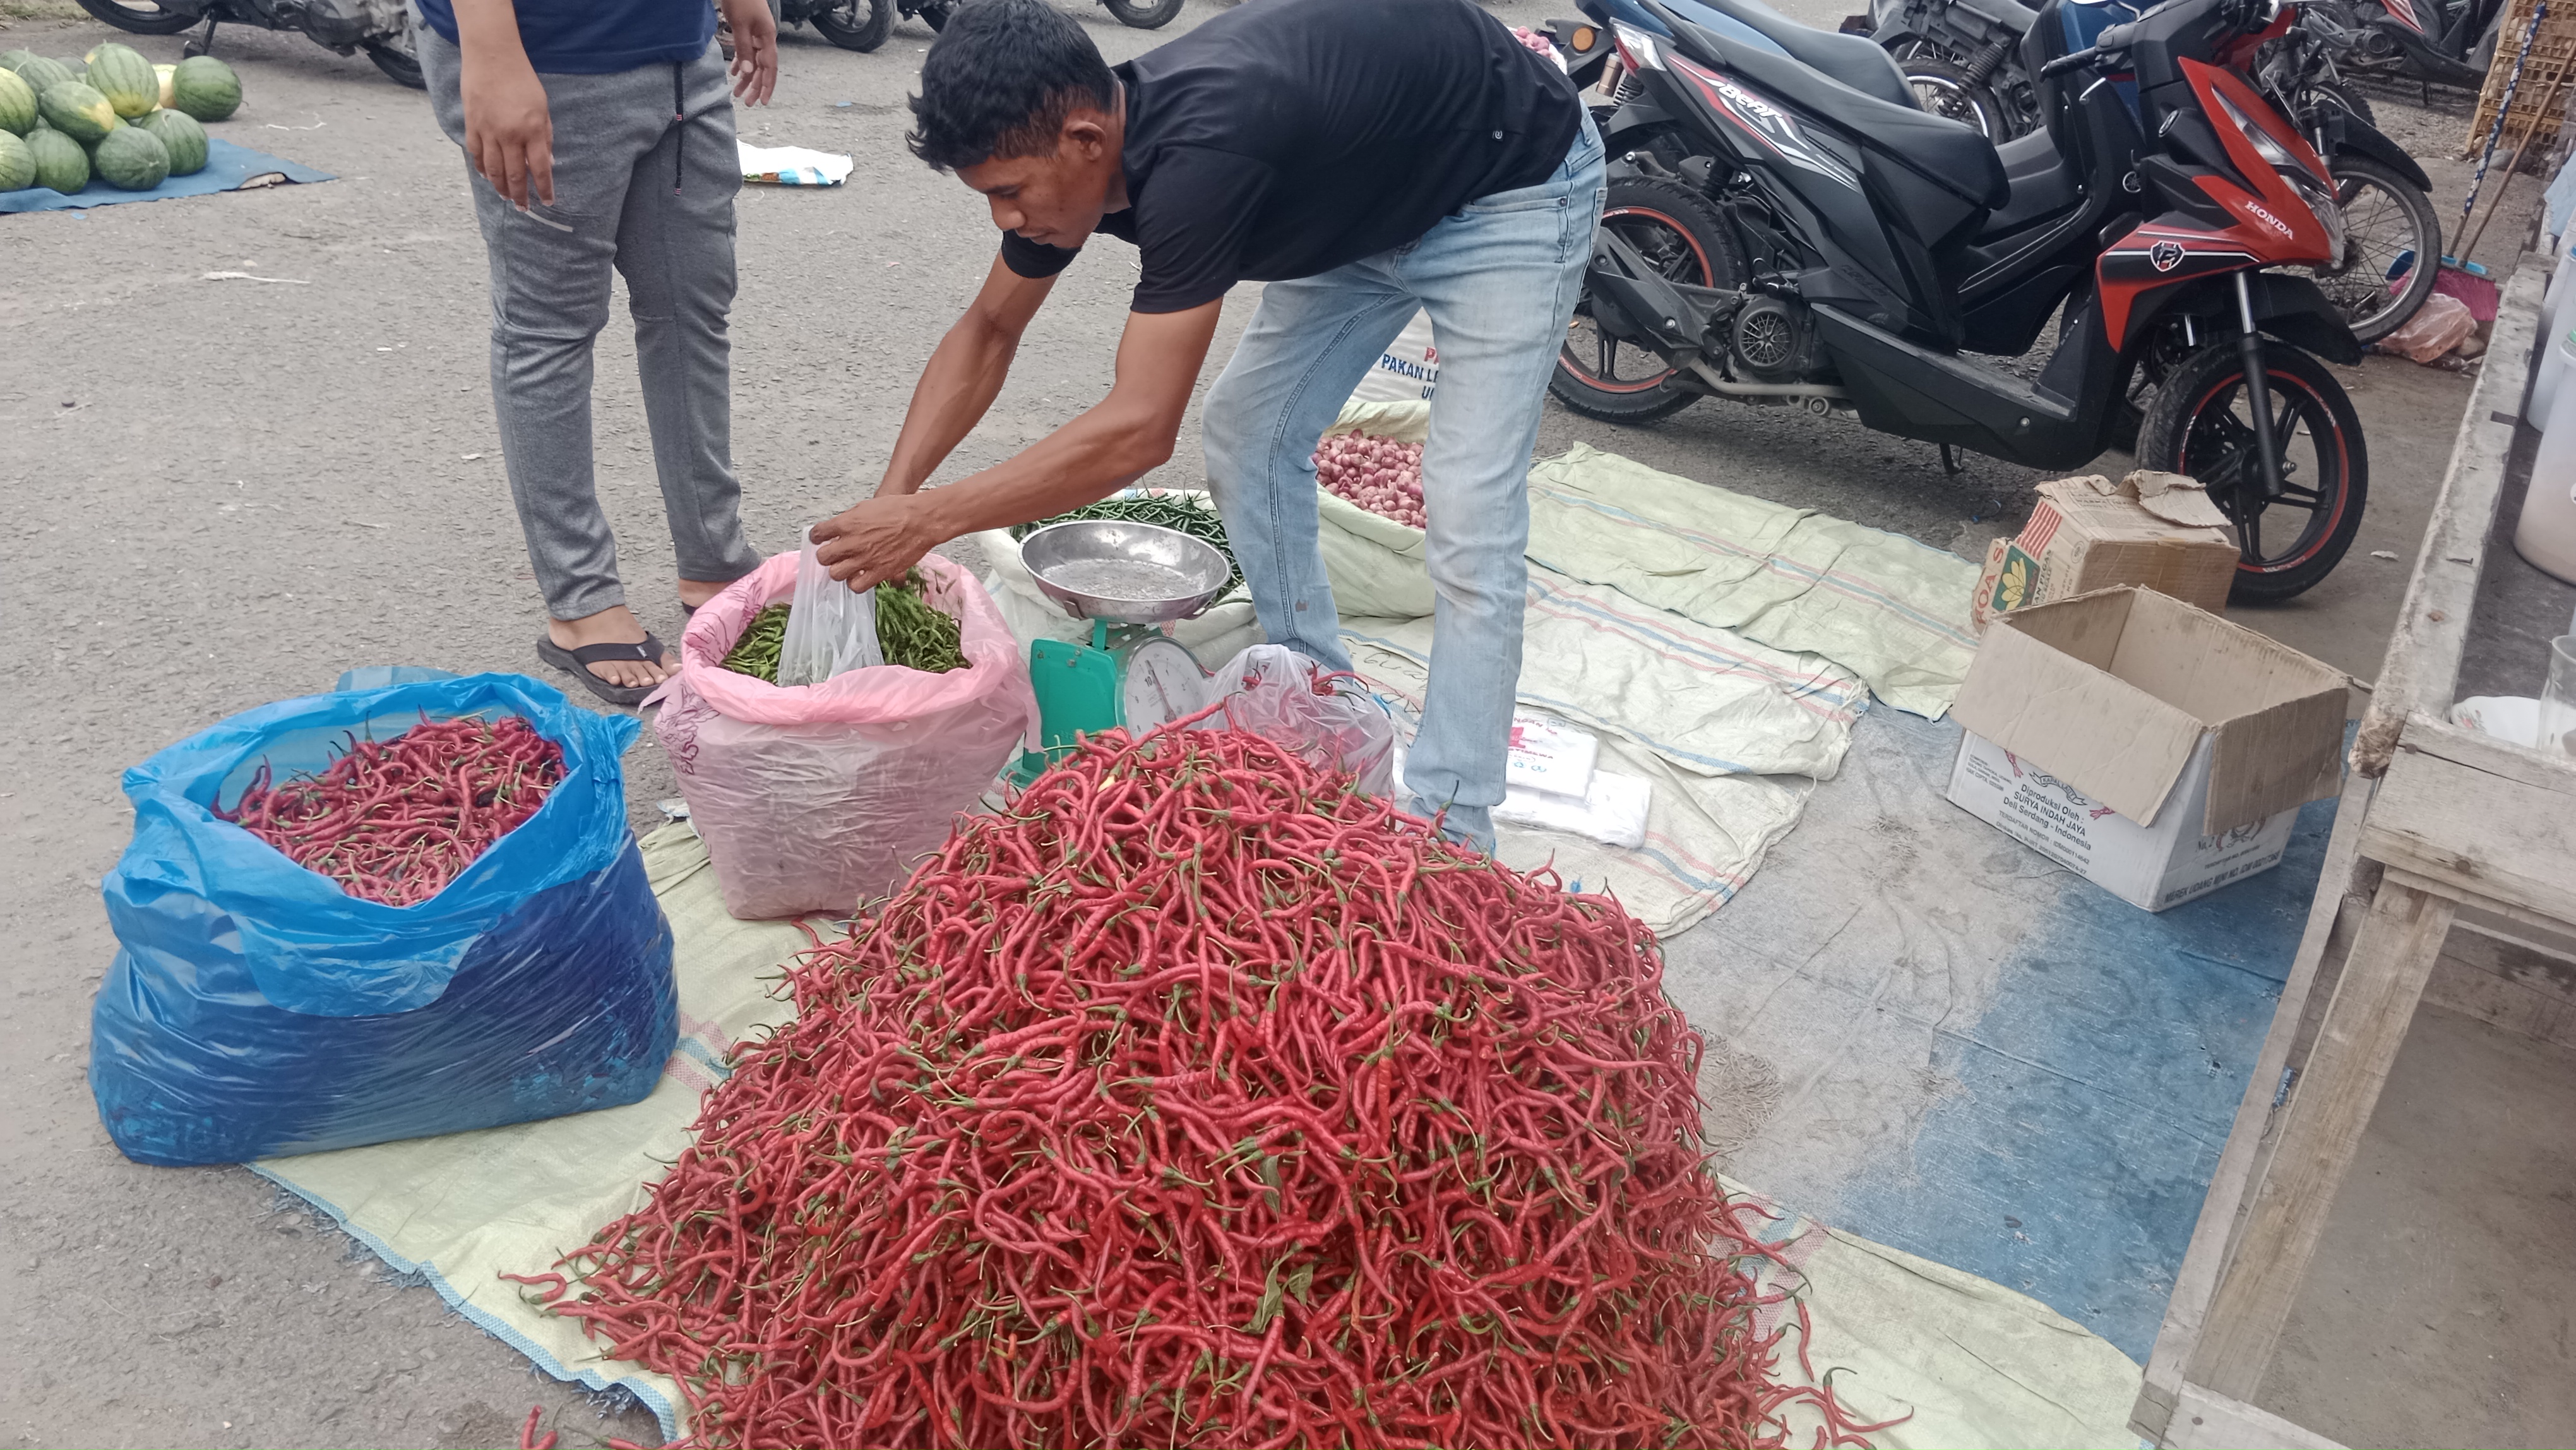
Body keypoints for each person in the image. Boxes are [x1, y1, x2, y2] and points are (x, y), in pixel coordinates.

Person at [809, 0, 1602, 849]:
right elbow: (989, 330)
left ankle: (1453, 825)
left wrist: (931, 519)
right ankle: (1319, 700)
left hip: (1507, 184)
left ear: (1084, 139)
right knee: (1247, 432)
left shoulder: (1201, 160)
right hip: (1363, 202)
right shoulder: (1074, 167)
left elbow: (1140, 428)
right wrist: (893, 502)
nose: (1004, 218)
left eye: (1008, 192)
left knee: (1470, 509)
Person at [417, 0, 777, 705]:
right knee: (550, 329)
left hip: (681, 55)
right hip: (548, 54)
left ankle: (714, 559)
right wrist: (491, 52)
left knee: (693, 309)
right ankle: (581, 600)